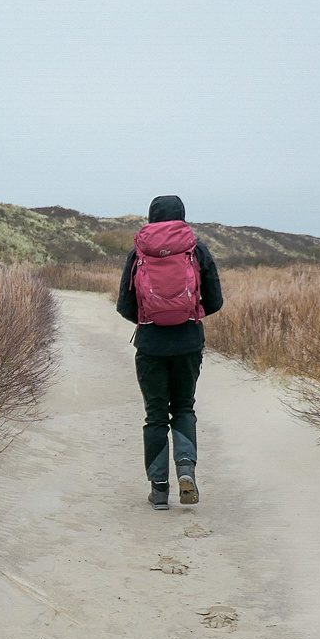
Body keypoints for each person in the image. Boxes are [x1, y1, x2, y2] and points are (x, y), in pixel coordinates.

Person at [115, 195, 224, 510]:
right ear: (182, 216)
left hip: (150, 344)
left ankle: (159, 489)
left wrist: (150, 319)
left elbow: (125, 305)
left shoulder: (139, 253)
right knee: (184, 408)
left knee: (155, 415)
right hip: (188, 342)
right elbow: (215, 301)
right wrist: (189, 312)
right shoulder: (196, 249)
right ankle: (186, 470)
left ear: (150, 217)